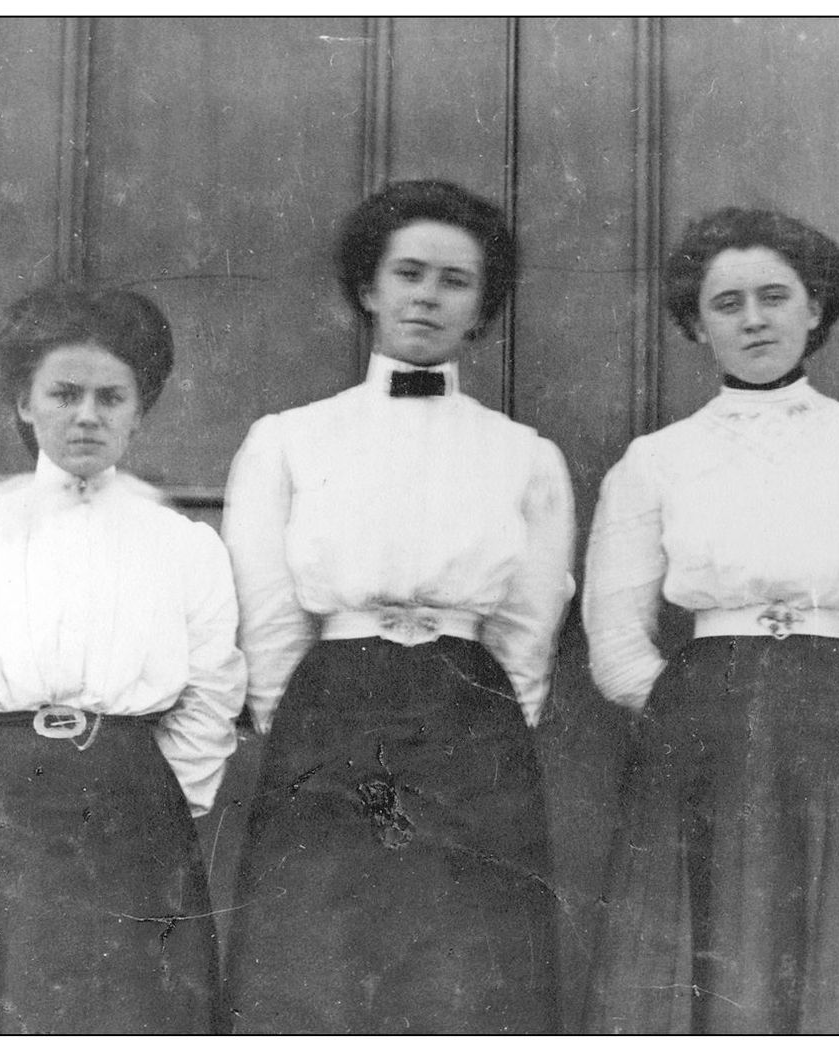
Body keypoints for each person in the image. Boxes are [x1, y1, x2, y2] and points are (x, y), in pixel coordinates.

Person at [581, 207, 839, 1034]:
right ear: (698, 325)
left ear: (814, 309)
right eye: (727, 303)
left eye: (775, 296)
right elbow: (613, 640)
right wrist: (693, 711)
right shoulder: (657, 461)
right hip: (702, 734)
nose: (754, 319)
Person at [221, 179, 575, 1034]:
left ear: (481, 306)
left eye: (455, 281)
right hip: (332, 708)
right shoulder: (290, 439)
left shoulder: (524, 457)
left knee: (463, 952)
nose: (427, 295)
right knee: (324, 946)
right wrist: (295, 718)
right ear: (369, 289)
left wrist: (490, 718)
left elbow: (530, 627)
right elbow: (265, 608)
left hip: (469, 714)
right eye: (408, 273)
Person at [0, 286, 247, 1034]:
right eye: (64, 393)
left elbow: (210, 697)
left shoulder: (183, 549)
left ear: (140, 410)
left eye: (112, 397)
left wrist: (150, 793)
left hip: (134, 811)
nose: (87, 415)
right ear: (24, 404)